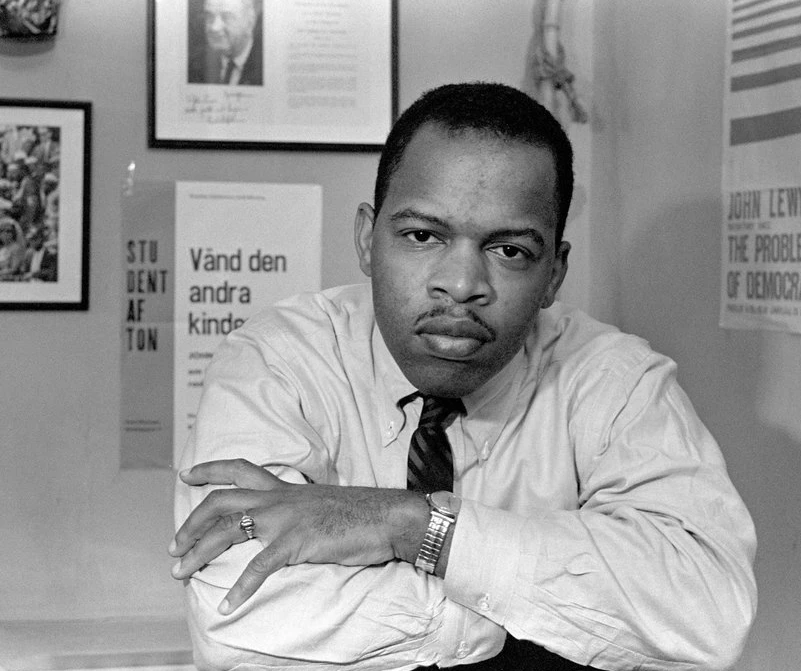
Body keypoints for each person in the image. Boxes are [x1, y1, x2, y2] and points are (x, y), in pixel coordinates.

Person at [170, 83, 757, 670]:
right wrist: (541, 616)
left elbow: (709, 614)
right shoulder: (276, 362)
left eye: (509, 251)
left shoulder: (614, 380)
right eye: (423, 236)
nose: (461, 283)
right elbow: (238, 617)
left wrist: (412, 525)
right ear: (366, 241)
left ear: (555, 272)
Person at [187, 0, 263, 86]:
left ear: (250, 23)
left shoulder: (267, 68)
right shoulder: (194, 65)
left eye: (227, 17)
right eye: (209, 16)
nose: (214, 27)